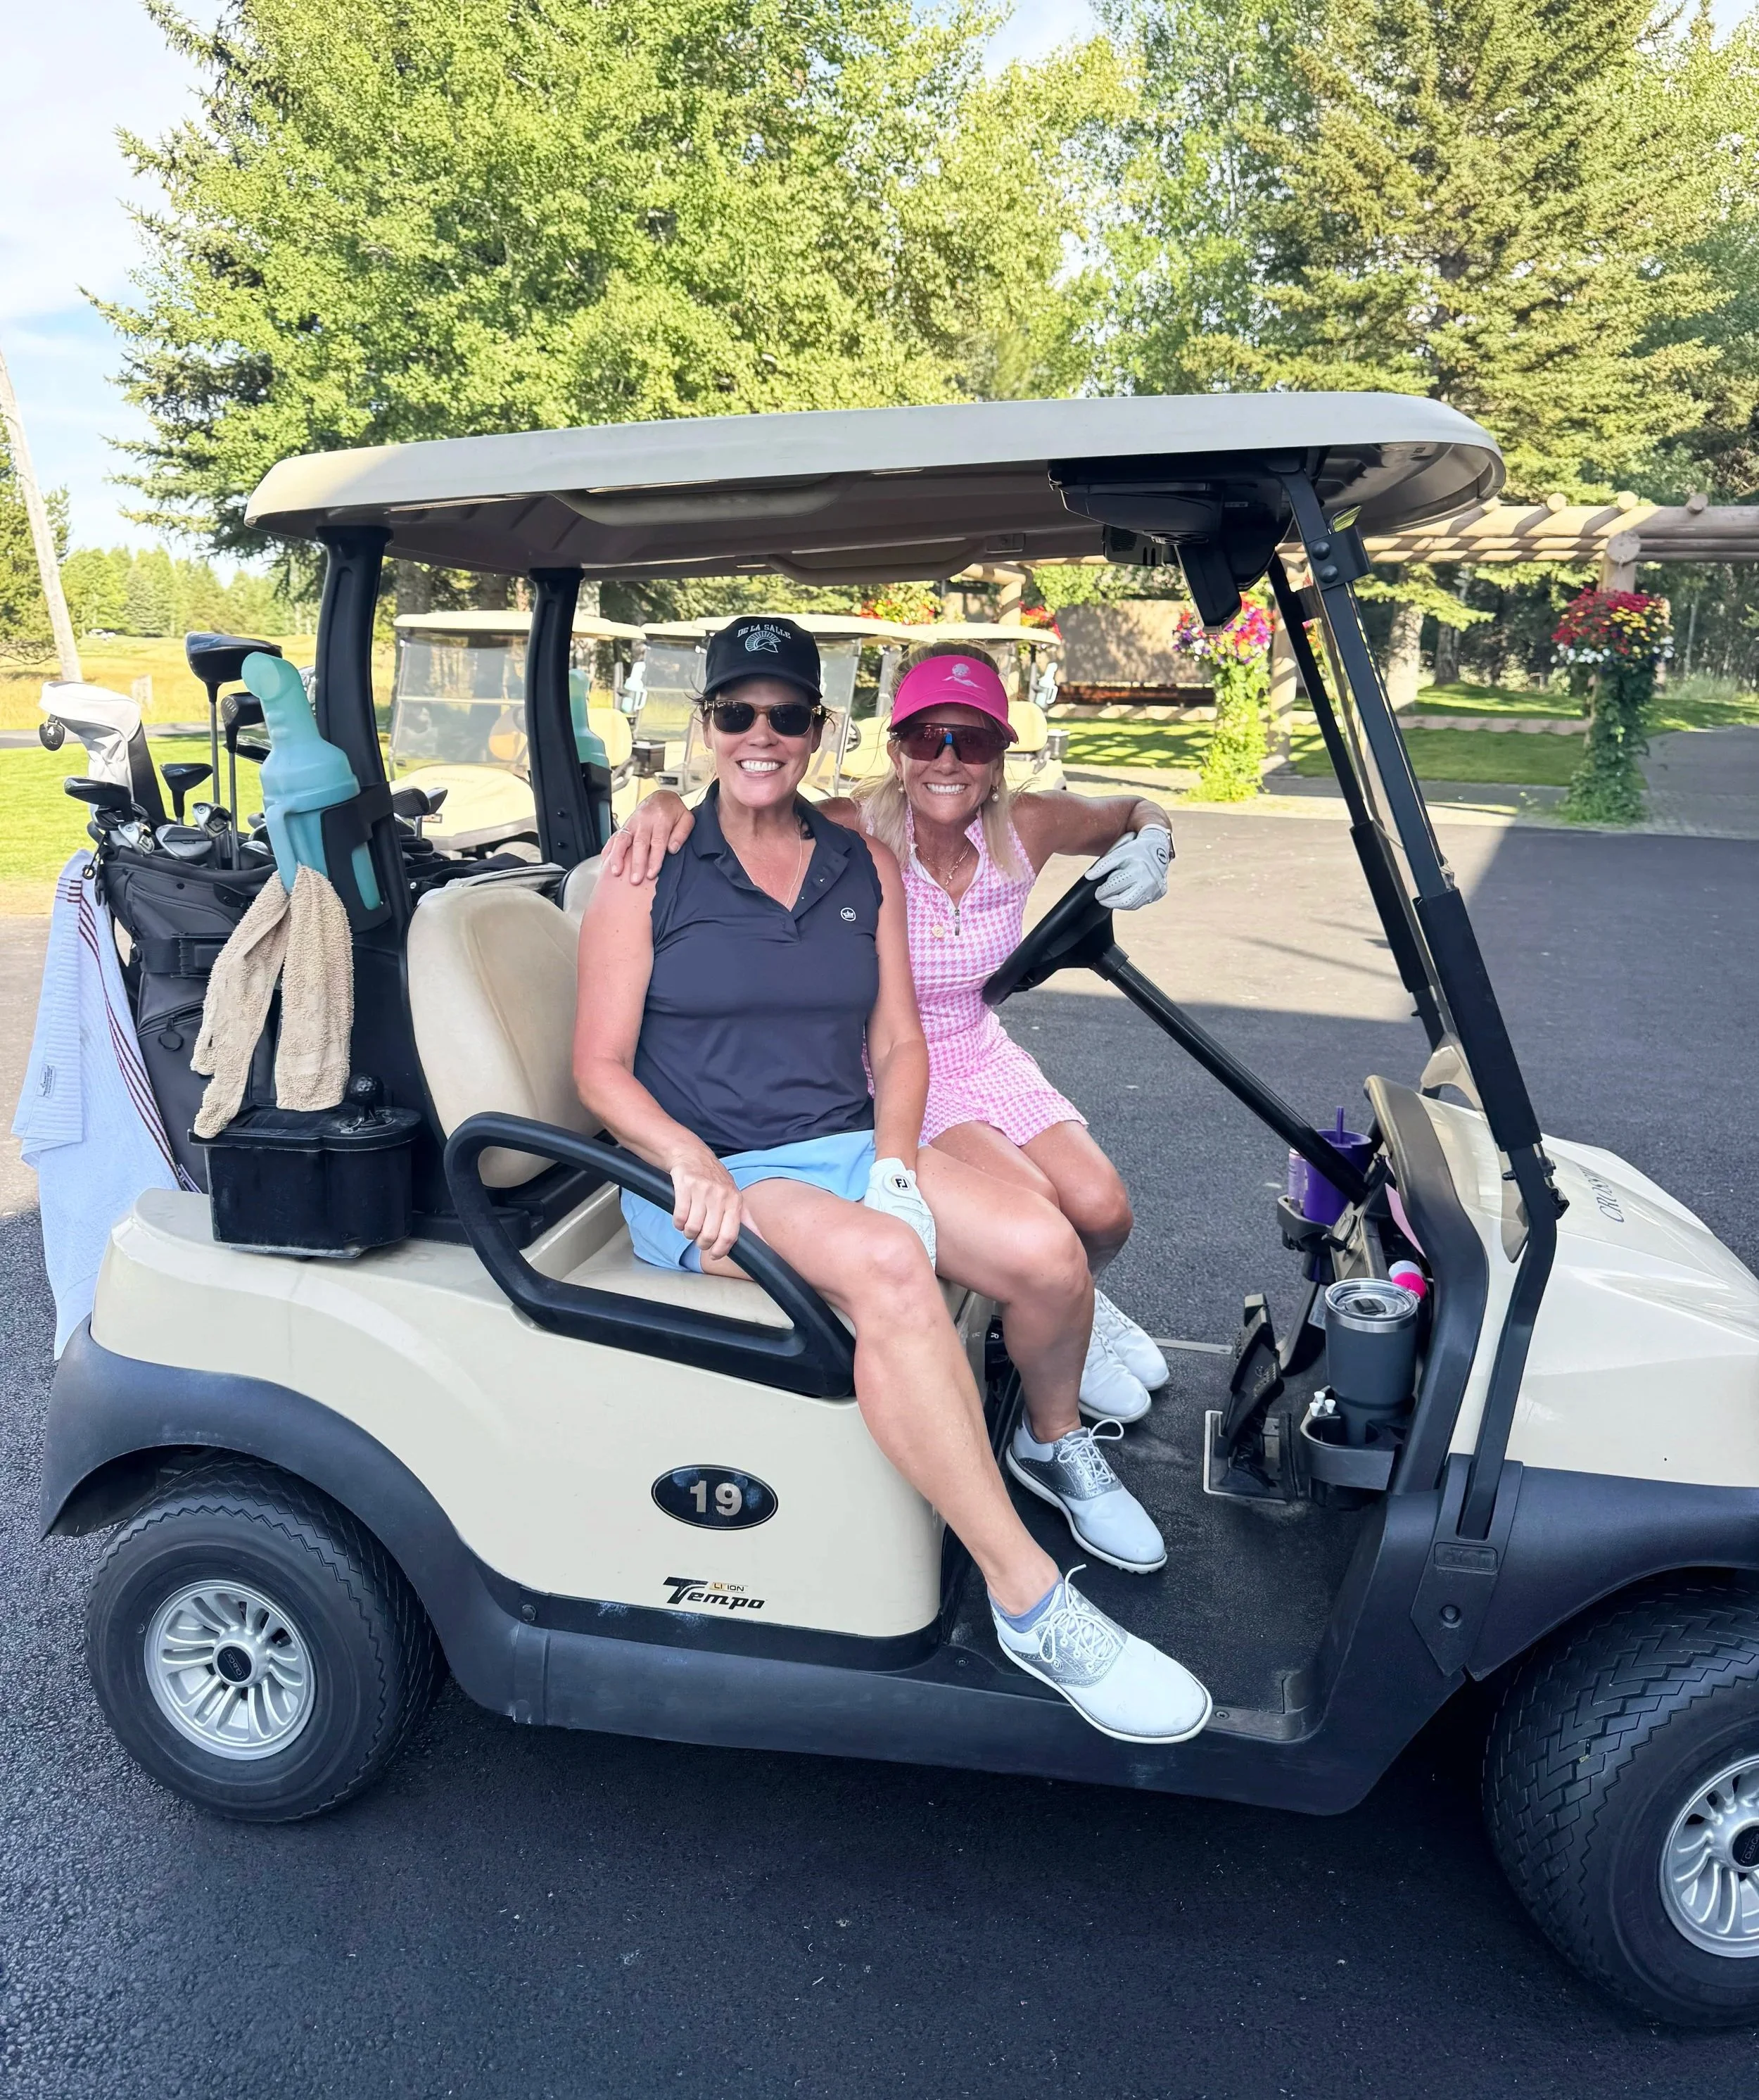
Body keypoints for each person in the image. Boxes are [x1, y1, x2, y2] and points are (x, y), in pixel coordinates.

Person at [573, 615, 1209, 1745]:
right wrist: (682, 1159)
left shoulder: (858, 861)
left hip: (843, 1141)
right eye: (737, 713)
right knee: (889, 1266)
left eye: (785, 715)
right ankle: (1034, 1605)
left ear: (820, 732)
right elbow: (599, 1068)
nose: (760, 734)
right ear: (707, 727)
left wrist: (899, 1165)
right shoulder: (654, 864)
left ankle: (1045, 1444)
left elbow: (904, 1045)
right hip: (715, 1173)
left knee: (1050, 1249)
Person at [604, 642, 1176, 1425]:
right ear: (897, 749)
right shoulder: (852, 829)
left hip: (976, 1041)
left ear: (1000, 755)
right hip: (888, 1061)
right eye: (924, 738)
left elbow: (1127, 813)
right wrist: (663, 802)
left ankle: (1077, 1302)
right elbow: (748, 809)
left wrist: (1156, 838)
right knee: (1036, 1198)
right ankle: (1042, 1313)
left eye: (970, 741)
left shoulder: (1030, 825)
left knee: (1103, 1207)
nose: (946, 759)